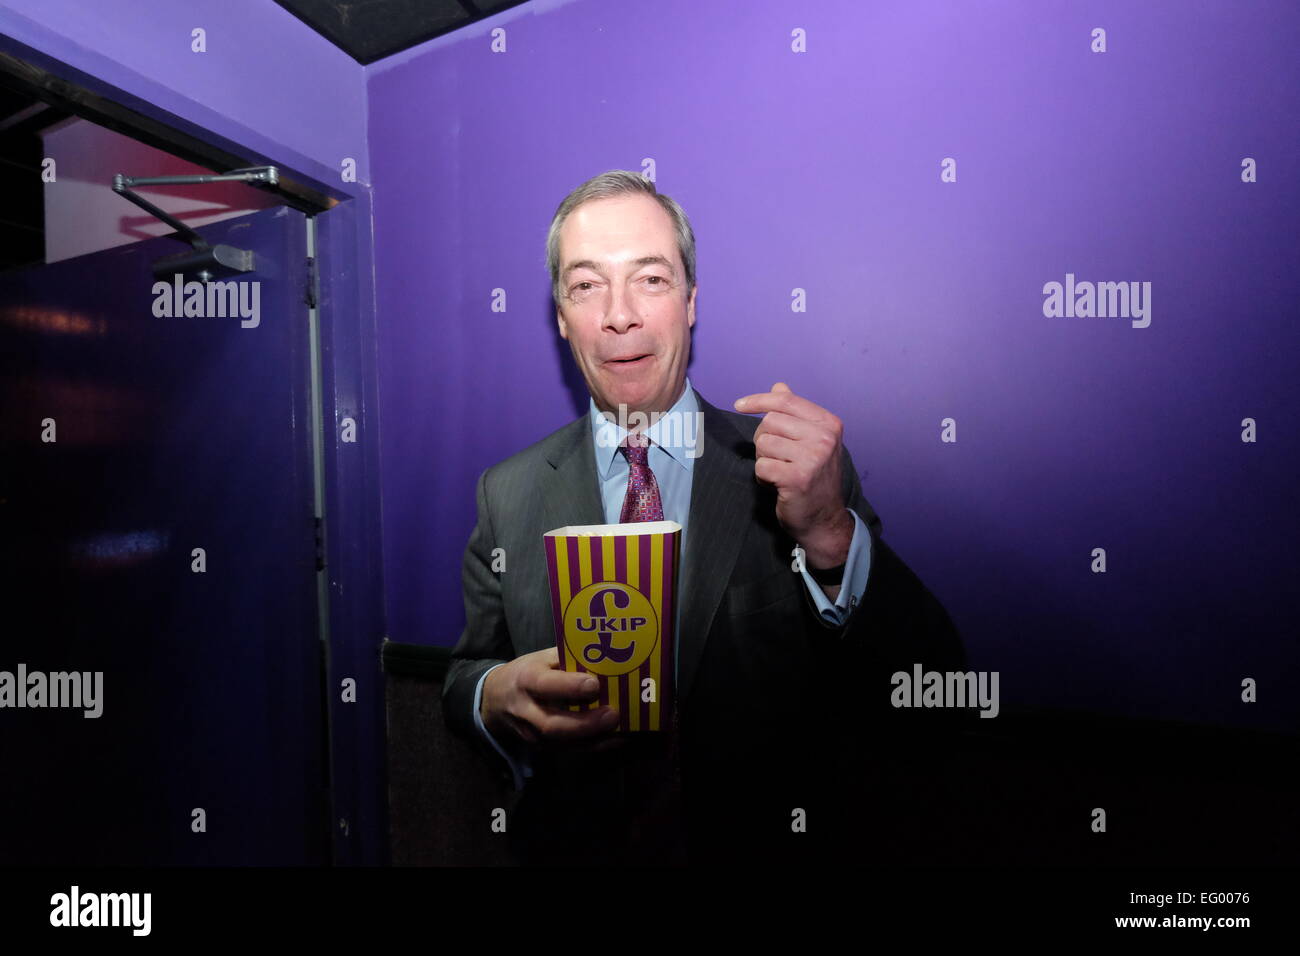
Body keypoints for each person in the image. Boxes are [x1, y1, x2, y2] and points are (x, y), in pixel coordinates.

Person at [443, 170, 965, 865]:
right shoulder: (504, 494)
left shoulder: (792, 469)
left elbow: (931, 682)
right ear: (562, 317)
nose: (619, 314)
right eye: (586, 284)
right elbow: (463, 675)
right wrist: (494, 694)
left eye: (650, 279)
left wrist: (831, 536)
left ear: (690, 302)